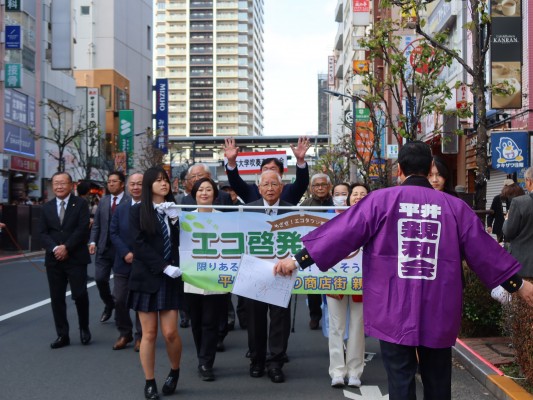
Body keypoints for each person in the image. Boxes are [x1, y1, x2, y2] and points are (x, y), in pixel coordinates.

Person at [274, 141, 533, 400]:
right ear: (430, 168)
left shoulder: (380, 201)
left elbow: (340, 235)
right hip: (439, 307)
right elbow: (485, 252)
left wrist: (296, 261)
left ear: (399, 169)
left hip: (392, 307)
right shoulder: (454, 207)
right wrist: (519, 285)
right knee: (438, 382)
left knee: (400, 381)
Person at [128, 166, 183, 399]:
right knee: (149, 334)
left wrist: (176, 220)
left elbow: (186, 241)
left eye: (165, 180)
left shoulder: (176, 209)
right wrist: (163, 266)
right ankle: (149, 381)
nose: (163, 184)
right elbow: (138, 245)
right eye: (158, 180)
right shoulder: (137, 211)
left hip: (171, 278)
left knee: (170, 332)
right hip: (148, 276)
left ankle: (174, 371)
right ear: (149, 185)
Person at [246, 170, 293, 384]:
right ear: (259, 188)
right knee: (255, 319)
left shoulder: (293, 211)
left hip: (282, 273)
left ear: (281, 187)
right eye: (265, 184)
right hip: (254, 273)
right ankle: (256, 360)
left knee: (279, 320)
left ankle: (275, 363)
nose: (270, 188)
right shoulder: (246, 211)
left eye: (274, 184)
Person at [39, 172, 92, 349]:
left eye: (63, 183)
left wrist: (66, 247)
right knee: (57, 298)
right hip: (54, 259)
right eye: (56, 183)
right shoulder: (46, 207)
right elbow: (42, 233)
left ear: (71, 185)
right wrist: (55, 249)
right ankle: (62, 334)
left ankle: (84, 327)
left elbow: (82, 229)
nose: (59, 186)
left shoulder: (81, 204)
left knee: (80, 295)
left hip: (76, 257)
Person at [184, 177, 229, 381]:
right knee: (196, 321)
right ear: (194, 194)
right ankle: (201, 355)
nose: (204, 193)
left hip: (216, 276)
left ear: (215, 195)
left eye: (208, 189)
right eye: (200, 190)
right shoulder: (185, 218)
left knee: (211, 321)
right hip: (192, 276)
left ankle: (206, 362)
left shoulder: (224, 219)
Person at [327, 182, 369, 389]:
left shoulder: (373, 220)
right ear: (348, 198)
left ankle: (354, 371)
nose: (358, 197)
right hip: (336, 279)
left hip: (362, 281)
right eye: (355, 194)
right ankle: (337, 371)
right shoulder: (334, 219)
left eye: (363, 194)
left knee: (357, 327)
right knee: (336, 326)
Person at [89, 171, 130, 323]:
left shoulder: (129, 200)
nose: (111, 184)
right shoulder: (104, 201)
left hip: (122, 250)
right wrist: (92, 242)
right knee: (100, 279)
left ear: (122, 184)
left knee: (122, 288)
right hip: (104, 248)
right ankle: (109, 303)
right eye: (109, 181)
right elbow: (97, 224)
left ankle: (121, 316)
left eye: (114, 181)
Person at [109, 172, 144, 351]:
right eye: (133, 184)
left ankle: (141, 336)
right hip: (123, 262)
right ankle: (125, 333)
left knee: (141, 301)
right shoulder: (121, 208)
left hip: (143, 263)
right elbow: (113, 232)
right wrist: (125, 253)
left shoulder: (152, 208)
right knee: (119, 299)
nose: (136, 187)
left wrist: (137, 254)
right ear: (128, 186)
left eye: (140, 184)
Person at [223, 136, 310, 205]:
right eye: (265, 169)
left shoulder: (290, 191)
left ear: (281, 174)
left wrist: (300, 160)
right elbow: (235, 182)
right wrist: (231, 161)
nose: (269, 172)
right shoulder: (251, 191)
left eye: (273, 169)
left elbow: (302, 182)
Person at [300, 173, 333, 330]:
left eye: (323, 185)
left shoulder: (336, 203)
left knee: (332, 281)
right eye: (316, 185)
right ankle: (315, 316)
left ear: (329, 186)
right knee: (312, 284)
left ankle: (332, 315)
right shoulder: (306, 204)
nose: (320, 188)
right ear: (312, 188)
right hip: (311, 249)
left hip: (332, 248)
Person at [503, 167, 533, 278]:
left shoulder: (520, 203)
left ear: (529, 181)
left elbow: (508, 232)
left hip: (524, 266)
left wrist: (507, 219)